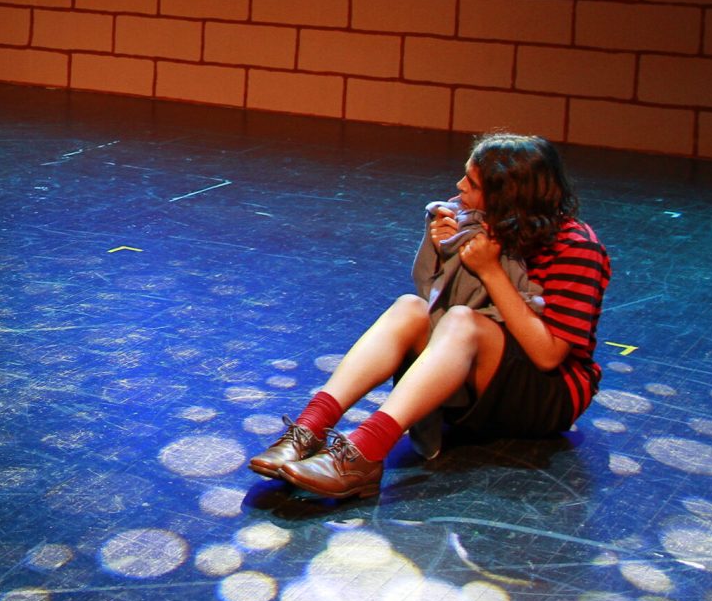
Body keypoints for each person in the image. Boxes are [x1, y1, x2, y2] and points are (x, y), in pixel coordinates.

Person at [248, 133, 611, 499]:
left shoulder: (577, 247)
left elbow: (548, 355)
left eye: (472, 183)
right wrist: (441, 251)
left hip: (546, 397)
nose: (459, 187)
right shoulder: (479, 222)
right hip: (474, 378)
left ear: (508, 196)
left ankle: (364, 453)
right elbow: (434, 307)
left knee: (461, 321)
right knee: (410, 307)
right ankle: (310, 428)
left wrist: (489, 270)